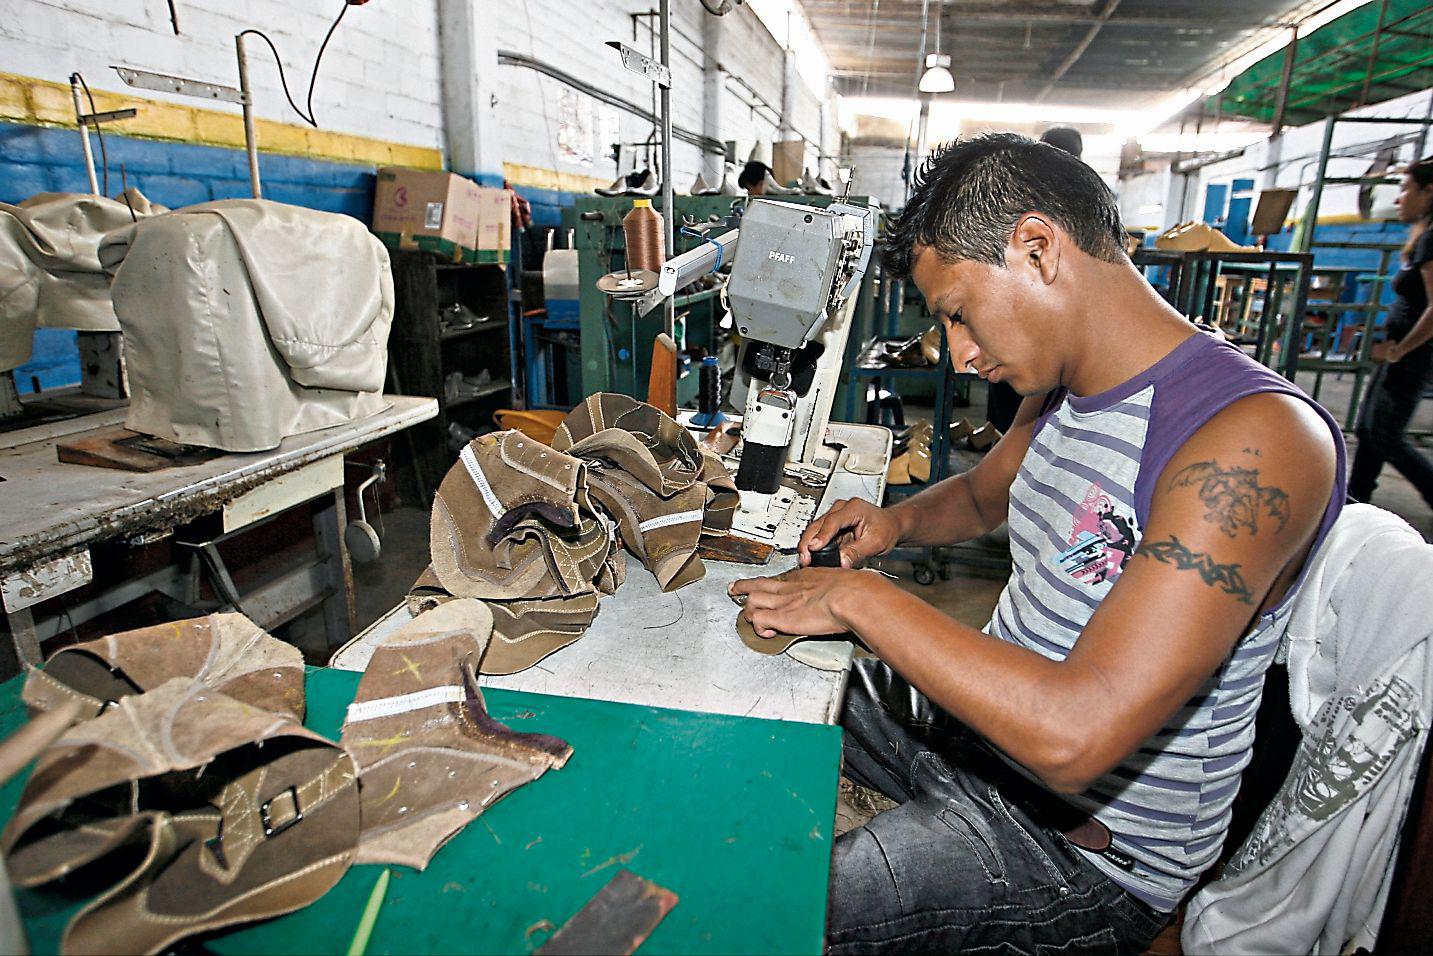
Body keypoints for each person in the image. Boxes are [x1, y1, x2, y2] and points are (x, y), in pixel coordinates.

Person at [731, 133, 1346, 954]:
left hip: (1080, 846)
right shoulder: (1061, 390)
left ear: (1036, 248)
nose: (960, 353)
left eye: (957, 314)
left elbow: (1075, 736)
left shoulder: (1251, 442)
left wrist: (862, 596)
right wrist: (895, 524)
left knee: (770, 909)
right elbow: (988, 494)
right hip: (984, 735)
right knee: (756, 682)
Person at [986, 128, 1088, 436]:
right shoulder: (1085, 198)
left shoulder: (1026, 196)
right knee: (1037, 391)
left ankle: (1004, 442)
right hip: (1045, 311)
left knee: (1017, 386)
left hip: (1027, 309)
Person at [1348, 156, 1433, 509]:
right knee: (1369, 432)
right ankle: (1354, 501)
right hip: (1403, 353)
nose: (1400, 199)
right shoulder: (1423, 238)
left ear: (1430, 192)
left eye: (1406, 189)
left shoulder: (1432, 241)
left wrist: (1400, 350)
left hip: (1412, 357)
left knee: (1384, 434)